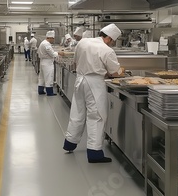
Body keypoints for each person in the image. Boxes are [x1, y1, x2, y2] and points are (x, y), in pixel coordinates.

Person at [63, 23, 123, 163]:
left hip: (80, 80)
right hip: (95, 84)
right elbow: (114, 72)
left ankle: (70, 143)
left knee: (77, 112)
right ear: (108, 37)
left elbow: (76, 61)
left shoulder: (83, 42)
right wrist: (119, 73)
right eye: (112, 41)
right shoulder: (107, 50)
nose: (112, 44)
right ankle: (94, 153)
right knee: (96, 116)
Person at [38, 31, 64, 96]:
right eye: (53, 38)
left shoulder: (43, 43)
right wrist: (58, 53)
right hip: (47, 63)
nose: (53, 40)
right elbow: (52, 54)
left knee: (42, 77)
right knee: (49, 77)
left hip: (43, 62)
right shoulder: (46, 44)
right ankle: (49, 92)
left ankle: (40, 90)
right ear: (50, 38)